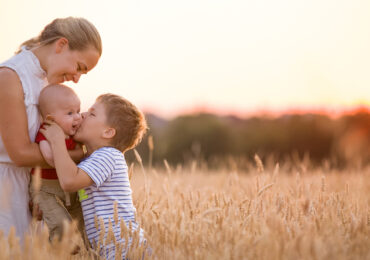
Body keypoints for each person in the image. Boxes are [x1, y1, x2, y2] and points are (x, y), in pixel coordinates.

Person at [0, 17, 102, 240]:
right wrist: (81, 156)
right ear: (61, 45)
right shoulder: (10, 76)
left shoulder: (49, 82)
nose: (76, 79)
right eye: (79, 67)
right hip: (5, 193)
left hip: (36, 189)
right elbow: (20, 153)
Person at [41, 94, 148, 259]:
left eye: (92, 114)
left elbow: (69, 181)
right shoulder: (90, 161)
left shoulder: (109, 156)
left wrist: (56, 141)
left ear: (108, 132)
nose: (82, 115)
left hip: (125, 251)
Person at [29, 84, 85, 242]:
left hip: (69, 189)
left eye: (78, 111)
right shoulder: (47, 132)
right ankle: (60, 244)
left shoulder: (75, 136)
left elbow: (83, 153)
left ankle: (93, 249)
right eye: (70, 113)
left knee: (85, 221)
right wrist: (67, 153)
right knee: (59, 223)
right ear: (51, 120)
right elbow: (50, 157)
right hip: (45, 189)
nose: (77, 117)